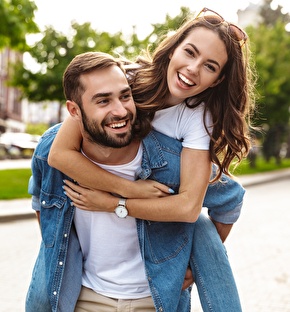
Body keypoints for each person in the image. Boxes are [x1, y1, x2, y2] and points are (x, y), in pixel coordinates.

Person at [26, 51, 242, 312]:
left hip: (154, 302)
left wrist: (192, 266)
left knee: (201, 224)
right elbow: (42, 206)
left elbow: (229, 199)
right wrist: (129, 191)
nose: (120, 110)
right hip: (83, 299)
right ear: (74, 110)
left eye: (125, 96)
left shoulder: (168, 162)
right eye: (103, 101)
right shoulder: (52, 154)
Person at [49, 8, 255, 238]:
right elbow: (58, 154)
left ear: (218, 80)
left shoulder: (197, 117)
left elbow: (188, 208)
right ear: (173, 49)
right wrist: (130, 190)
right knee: (48, 141)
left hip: (163, 202)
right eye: (189, 52)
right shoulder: (126, 79)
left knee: (222, 199)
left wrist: (113, 204)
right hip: (121, 188)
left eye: (210, 66)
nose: (193, 69)